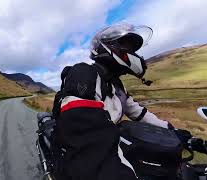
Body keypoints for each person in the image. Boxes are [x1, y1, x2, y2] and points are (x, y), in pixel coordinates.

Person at [51, 23, 175, 180]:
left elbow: (137, 111)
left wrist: (171, 130)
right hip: (84, 152)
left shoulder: (116, 84)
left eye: (133, 49)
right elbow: (85, 132)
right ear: (109, 47)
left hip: (109, 141)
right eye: (127, 46)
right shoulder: (84, 74)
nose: (132, 53)